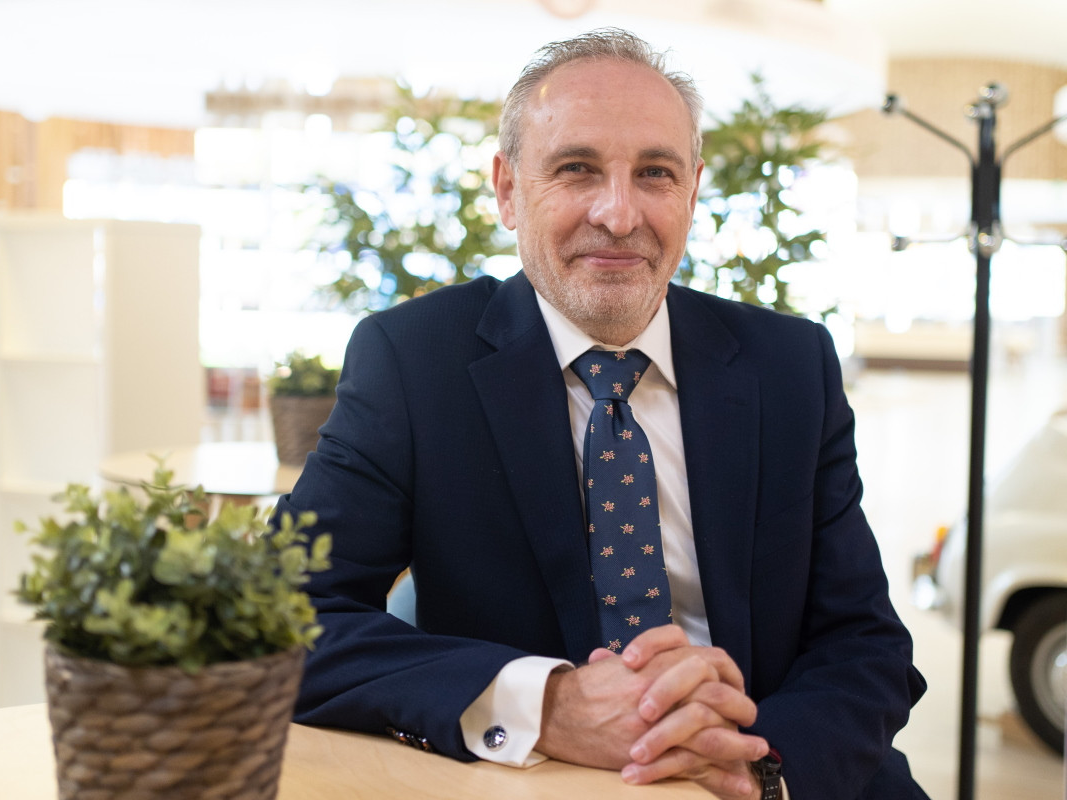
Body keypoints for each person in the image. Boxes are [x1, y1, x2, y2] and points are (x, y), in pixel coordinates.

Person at [274, 27, 928, 800]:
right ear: (508, 190)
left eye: (654, 173)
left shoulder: (790, 366)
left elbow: (866, 642)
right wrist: (543, 704)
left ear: (692, 191)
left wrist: (760, 765)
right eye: (577, 169)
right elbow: (284, 615)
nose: (619, 215)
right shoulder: (414, 362)